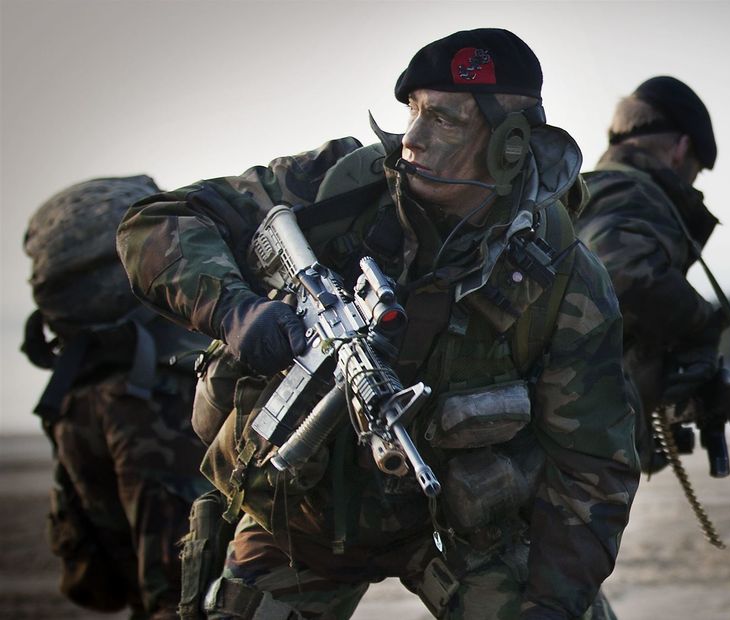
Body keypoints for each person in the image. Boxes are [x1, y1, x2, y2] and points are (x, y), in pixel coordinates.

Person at [116, 28, 638, 620]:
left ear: (511, 144)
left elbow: (592, 467)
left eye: (443, 120)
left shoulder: (563, 277)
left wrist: (552, 604)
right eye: (412, 112)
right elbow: (154, 223)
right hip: (301, 520)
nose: (410, 138)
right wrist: (237, 311)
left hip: (459, 527)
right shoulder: (336, 187)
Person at [21, 176, 212, 619]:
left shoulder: (81, 384)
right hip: (153, 409)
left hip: (92, 402)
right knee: (186, 592)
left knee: (146, 585)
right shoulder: (161, 386)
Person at [575, 76, 724, 473]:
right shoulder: (631, 193)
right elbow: (625, 273)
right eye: (695, 171)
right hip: (580, 427)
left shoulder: (587, 195)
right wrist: (703, 325)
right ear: (681, 149)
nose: (691, 182)